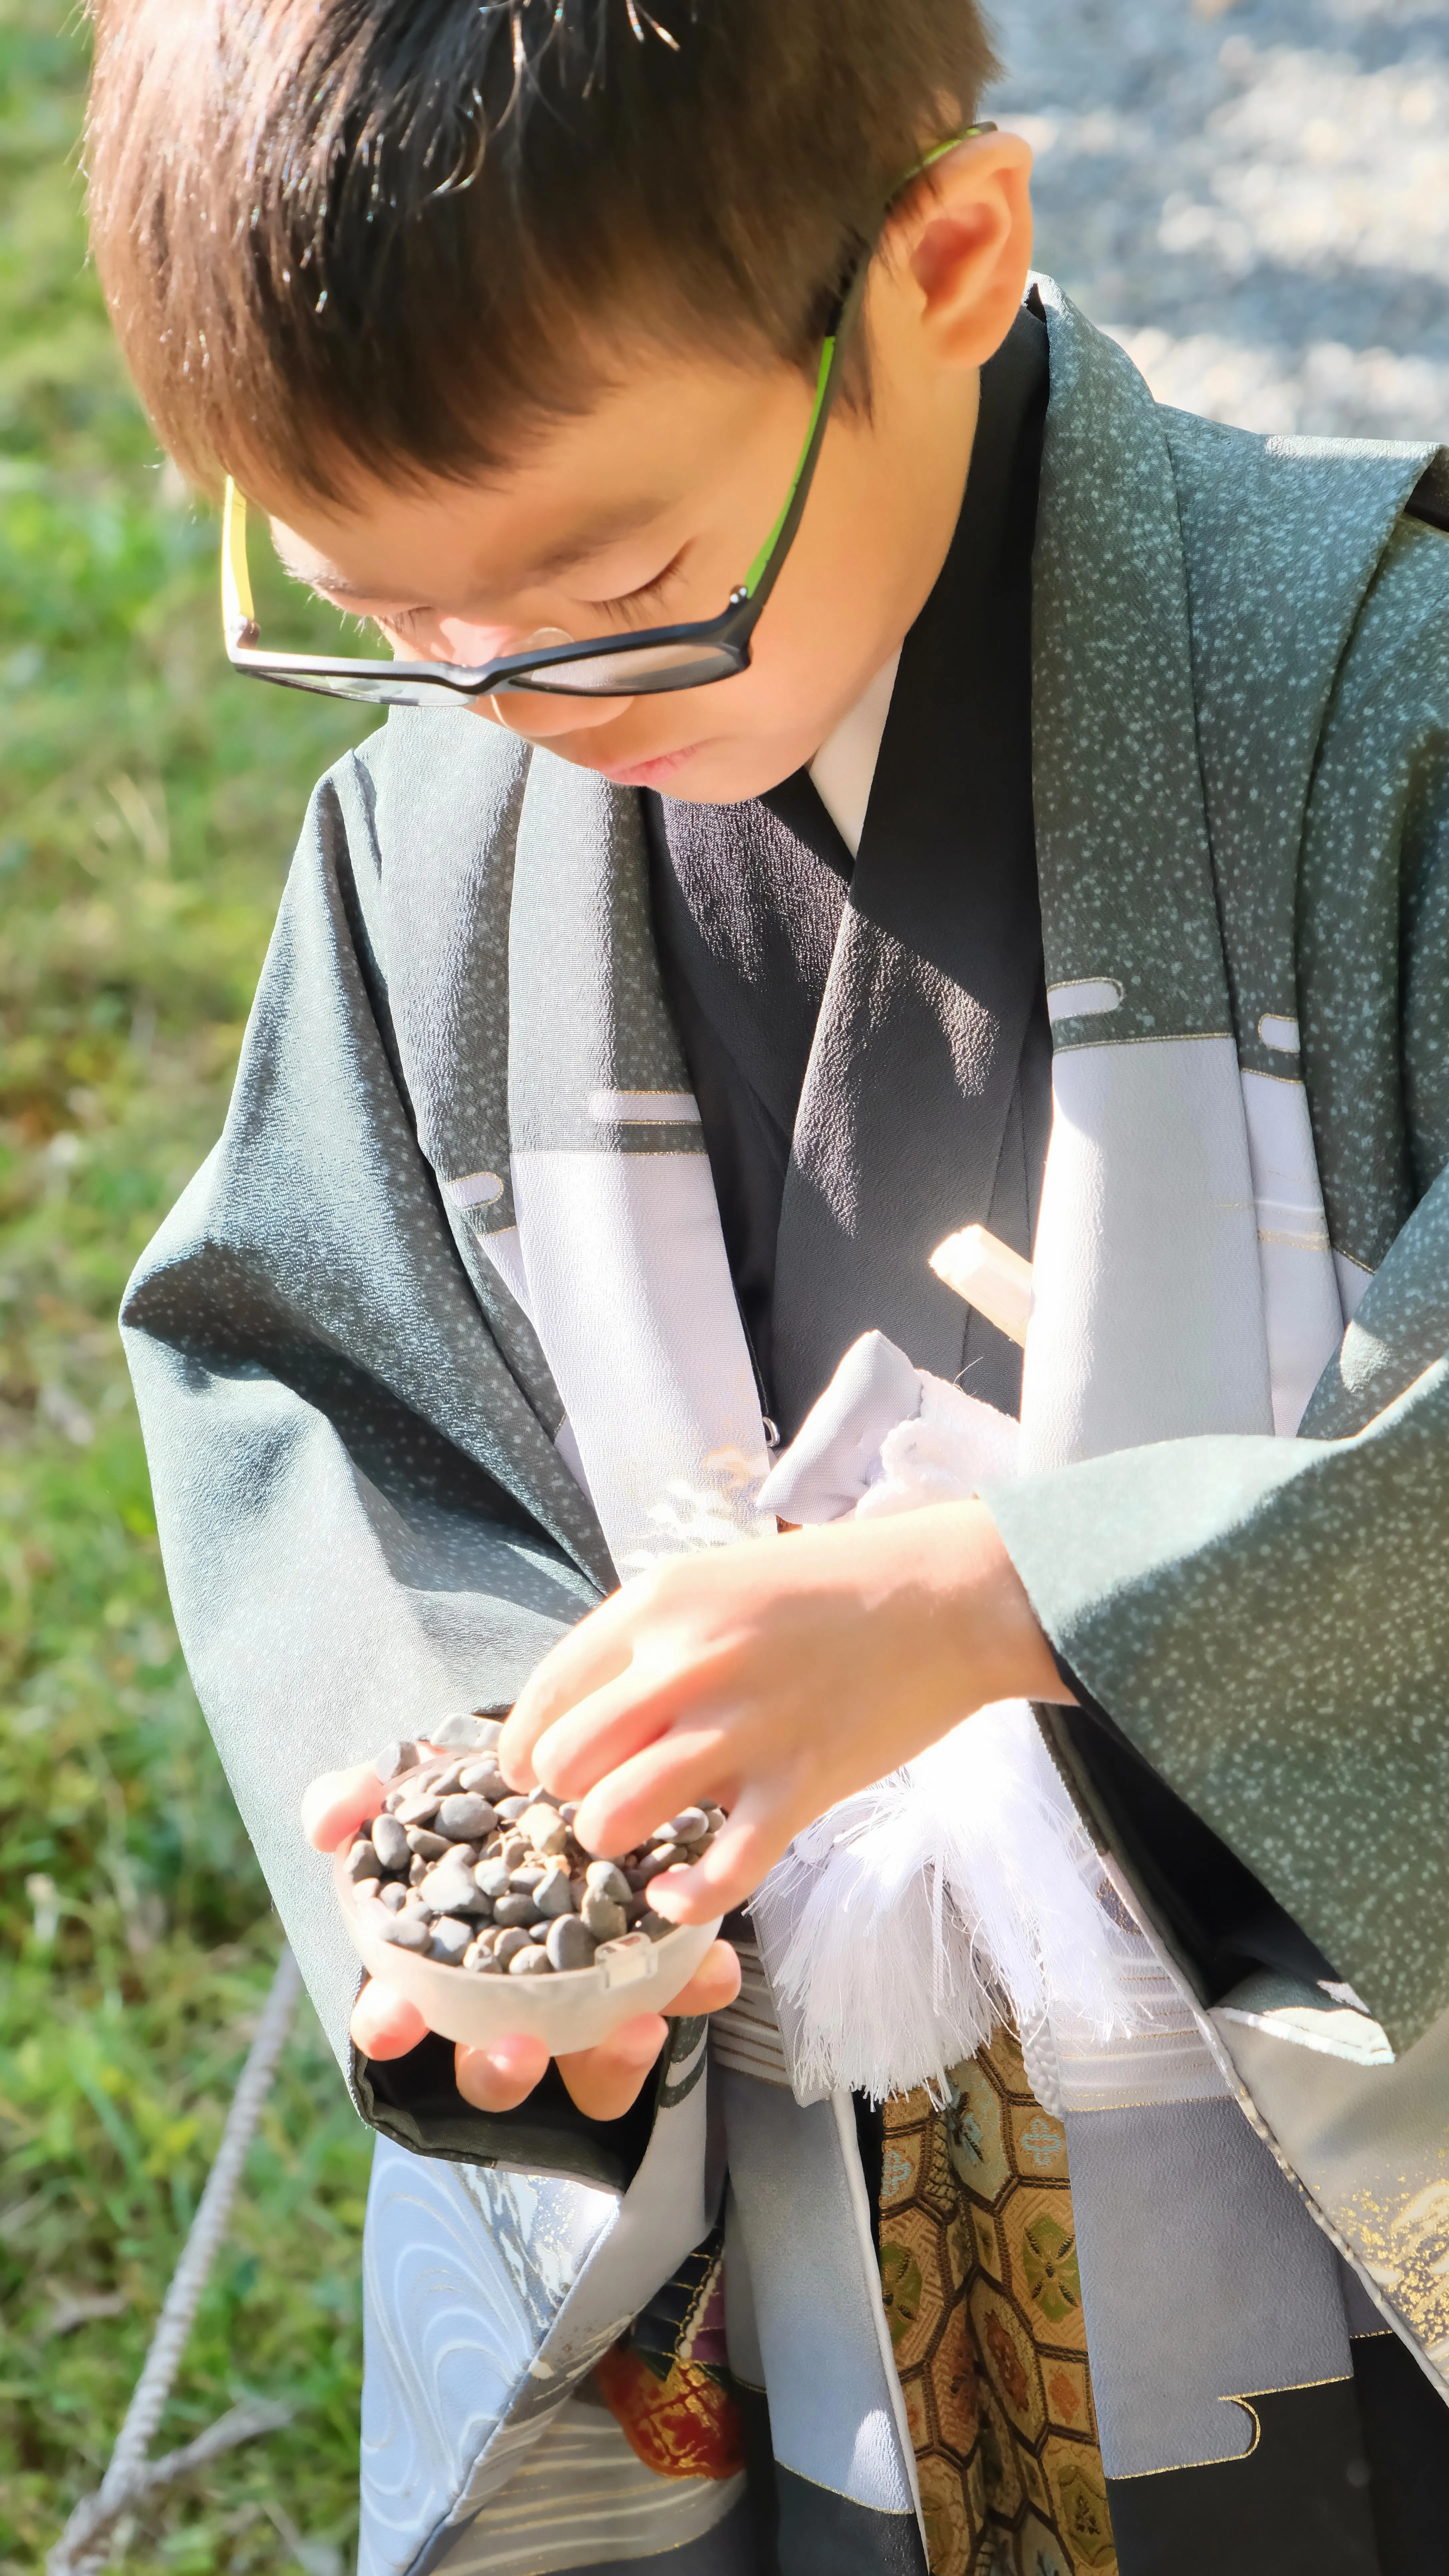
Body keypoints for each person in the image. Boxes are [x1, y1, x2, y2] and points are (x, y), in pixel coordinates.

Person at [85, 0, 1449, 2567]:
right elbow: (326, 1392)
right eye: (381, 611)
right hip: (805, 2238)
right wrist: (489, 1850)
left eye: (615, 588)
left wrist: (1037, 1598)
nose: (506, 699)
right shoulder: (437, 842)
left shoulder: (1378, 706)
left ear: (940, 260)